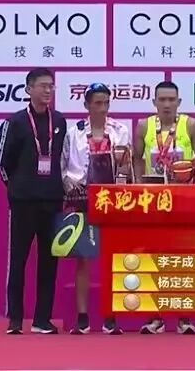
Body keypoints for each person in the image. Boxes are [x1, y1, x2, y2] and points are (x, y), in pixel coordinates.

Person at [0, 68, 67, 335]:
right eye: (43, 86)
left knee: (49, 262)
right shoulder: (15, 122)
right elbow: (1, 162)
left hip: (52, 201)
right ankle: (15, 318)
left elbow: (63, 159)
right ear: (29, 89)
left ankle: (42, 319)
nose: (48, 90)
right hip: (23, 203)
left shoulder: (60, 121)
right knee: (18, 260)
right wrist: (16, 188)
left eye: (51, 86)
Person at [132, 80, 195, 334]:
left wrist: (193, 184)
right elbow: (137, 158)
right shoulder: (144, 126)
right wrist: (140, 188)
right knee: (154, 259)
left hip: (183, 202)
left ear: (179, 102)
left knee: (182, 260)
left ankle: (185, 318)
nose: (166, 104)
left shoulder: (190, 125)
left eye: (171, 99)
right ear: (154, 102)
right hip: (154, 202)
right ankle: (156, 317)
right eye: (162, 99)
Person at [60, 82, 131, 335]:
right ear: (87, 105)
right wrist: (70, 186)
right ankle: (82, 318)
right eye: (97, 103)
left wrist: (120, 184)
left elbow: (126, 167)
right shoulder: (74, 132)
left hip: (112, 200)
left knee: (112, 260)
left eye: (106, 103)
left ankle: (111, 318)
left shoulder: (120, 130)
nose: (102, 108)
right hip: (82, 199)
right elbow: (63, 167)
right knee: (84, 259)